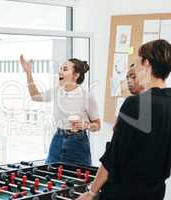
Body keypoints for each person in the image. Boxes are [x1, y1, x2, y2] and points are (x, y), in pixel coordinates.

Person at [77, 39, 171, 200]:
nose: (135, 68)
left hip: (124, 192)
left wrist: (91, 192)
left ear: (146, 63)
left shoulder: (135, 103)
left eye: (136, 63)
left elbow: (113, 157)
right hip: (155, 192)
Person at [20, 55, 100, 166]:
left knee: (80, 179)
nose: (60, 72)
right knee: (50, 177)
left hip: (78, 143)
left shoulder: (87, 97)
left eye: (65, 69)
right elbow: (35, 96)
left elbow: (97, 125)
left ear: (76, 75)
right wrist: (28, 72)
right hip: (58, 139)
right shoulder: (57, 91)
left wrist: (85, 125)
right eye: (61, 69)